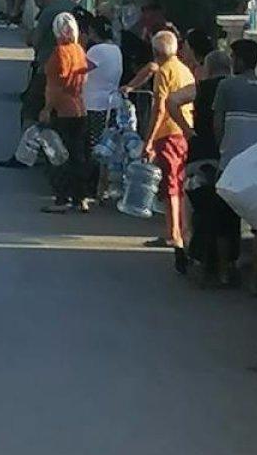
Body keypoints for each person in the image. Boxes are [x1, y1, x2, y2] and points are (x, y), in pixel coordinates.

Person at [213, 39, 257, 296]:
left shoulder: (226, 87)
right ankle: (255, 279)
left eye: (233, 57)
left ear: (240, 61)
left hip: (230, 163)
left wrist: (222, 147)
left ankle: (224, 272)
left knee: (224, 220)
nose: (231, 62)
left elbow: (218, 124)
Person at [122, 30, 194, 271]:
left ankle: (174, 234)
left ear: (155, 52)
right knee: (177, 184)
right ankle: (177, 231)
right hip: (183, 130)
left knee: (171, 187)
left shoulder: (164, 71)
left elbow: (160, 108)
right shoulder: (183, 69)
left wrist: (149, 141)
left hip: (169, 132)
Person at [168, 49, 240, 285]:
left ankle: (193, 251)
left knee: (197, 203)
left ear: (207, 69)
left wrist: (188, 132)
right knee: (228, 213)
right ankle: (225, 267)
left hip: (202, 154)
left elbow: (172, 101)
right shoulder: (235, 88)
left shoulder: (202, 88)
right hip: (231, 156)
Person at [0, 0, 75, 168]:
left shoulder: (49, 12)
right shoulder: (72, 7)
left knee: (31, 109)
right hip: (70, 70)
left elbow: (34, 39)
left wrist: (31, 36)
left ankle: (26, 155)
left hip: (46, 69)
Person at [40, 12, 90, 214]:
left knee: (58, 155)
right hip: (80, 107)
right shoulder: (79, 50)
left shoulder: (59, 53)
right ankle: (81, 197)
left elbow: (54, 86)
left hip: (62, 110)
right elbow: (84, 78)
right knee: (78, 155)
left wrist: (46, 108)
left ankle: (62, 198)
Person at [82, 14, 123, 195]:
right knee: (106, 145)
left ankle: (91, 184)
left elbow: (81, 69)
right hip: (111, 103)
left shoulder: (96, 51)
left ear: (92, 32)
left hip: (93, 103)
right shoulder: (116, 50)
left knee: (92, 145)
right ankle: (102, 186)